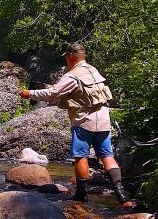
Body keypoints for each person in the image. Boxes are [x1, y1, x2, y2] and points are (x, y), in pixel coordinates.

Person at [19, 42, 133, 207]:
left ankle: (81, 195)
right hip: (103, 119)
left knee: (81, 156)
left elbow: (53, 93)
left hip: (84, 121)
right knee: (107, 156)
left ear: (70, 56)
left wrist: (29, 94)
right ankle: (121, 193)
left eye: (66, 57)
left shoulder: (72, 75)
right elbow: (75, 95)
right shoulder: (94, 71)